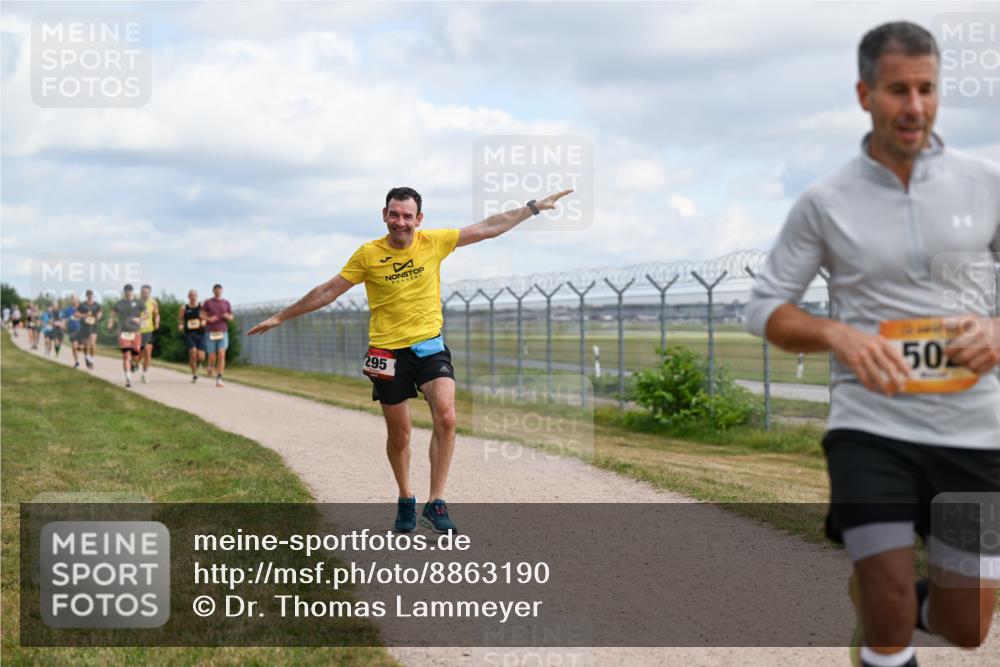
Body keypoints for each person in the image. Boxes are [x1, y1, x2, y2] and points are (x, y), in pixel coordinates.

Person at [745, 22, 1000, 667]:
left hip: (973, 431)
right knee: (888, 609)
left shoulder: (986, 185)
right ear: (865, 94)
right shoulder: (826, 201)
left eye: (926, 89)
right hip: (870, 426)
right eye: (897, 90)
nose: (914, 106)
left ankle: (896, 603)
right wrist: (836, 334)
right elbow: (765, 306)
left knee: (968, 625)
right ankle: (884, 610)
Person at [248, 186, 573, 534]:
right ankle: (406, 497)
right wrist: (281, 316)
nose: (400, 222)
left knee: (446, 416)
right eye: (394, 214)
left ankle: (436, 502)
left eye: (407, 216)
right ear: (384, 215)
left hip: (429, 346)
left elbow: (488, 227)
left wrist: (532, 208)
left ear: (419, 219)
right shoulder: (368, 254)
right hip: (387, 353)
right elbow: (328, 291)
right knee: (400, 435)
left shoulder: (434, 242)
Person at [106, 284, 146, 388]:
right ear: (124, 292)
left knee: (136, 354)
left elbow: (147, 314)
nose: (128, 293)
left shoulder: (139, 302)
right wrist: (110, 321)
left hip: (135, 332)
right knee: (126, 355)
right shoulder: (120, 303)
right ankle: (128, 379)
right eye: (126, 291)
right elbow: (112, 314)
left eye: (130, 291)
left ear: (132, 292)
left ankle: (134, 363)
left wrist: (139, 319)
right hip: (123, 332)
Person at [201, 284, 233, 387]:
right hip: (211, 332)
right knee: (212, 355)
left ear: (222, 291)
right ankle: (210, 365)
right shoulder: (208, 302)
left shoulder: (226, 303)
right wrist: (209, 319)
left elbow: (231, 317)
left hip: (223, 332)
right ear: (213, 291)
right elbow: (201, 315)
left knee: (222, 354)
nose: (218, 291)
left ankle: (219, 378)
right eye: (216, 290)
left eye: (219, 290)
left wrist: (227, 316)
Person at [178, 289, 207, 382]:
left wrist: (204, 321)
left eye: (194, 295)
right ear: (188, 296)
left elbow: (205, 317)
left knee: (201, 356)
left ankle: (198, 364)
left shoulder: (201, 306)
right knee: (193, 352)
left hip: (201, 333)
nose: (193, 297)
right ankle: (194, 375)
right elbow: (181, 319)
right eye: (191, 295)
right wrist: (181, 325)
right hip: (189, 333)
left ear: (197, 296)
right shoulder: (184, 308)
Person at [136, 284, 160, 383]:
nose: (145, 294)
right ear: (141, 292)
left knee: (148, 351)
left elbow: (157, 314)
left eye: (147, 292)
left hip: (149, 330)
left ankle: (144, 374)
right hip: (137, 331)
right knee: (139, 353)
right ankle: (135, 362)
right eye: (143, 292)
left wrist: (157, 322)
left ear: (150, 293)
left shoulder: (153, 302)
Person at [74, 290, 102, 370]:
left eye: (91, 295)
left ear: (93, 295)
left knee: (92, 343)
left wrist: (98, 316)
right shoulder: (82, 305)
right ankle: (87, 357)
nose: (90, 296)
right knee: (86, 345)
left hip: (93, 326)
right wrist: (85, 315)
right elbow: (76, 314)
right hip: (84, 327)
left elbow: (100, 313)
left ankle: (92, 361)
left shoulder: (96, 305)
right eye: (88, 295)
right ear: (86, 296)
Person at [62, 295, 81, 368]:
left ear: (78, 300)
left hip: (82, 330)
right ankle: (77, 362)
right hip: (72, 330)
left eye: (76, 299)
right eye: (73, 299)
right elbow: (64, 319)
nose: (74, 301)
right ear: (71, 301)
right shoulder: (68, 310)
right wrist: (65, 323)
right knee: (74, 346)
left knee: (79, 346)